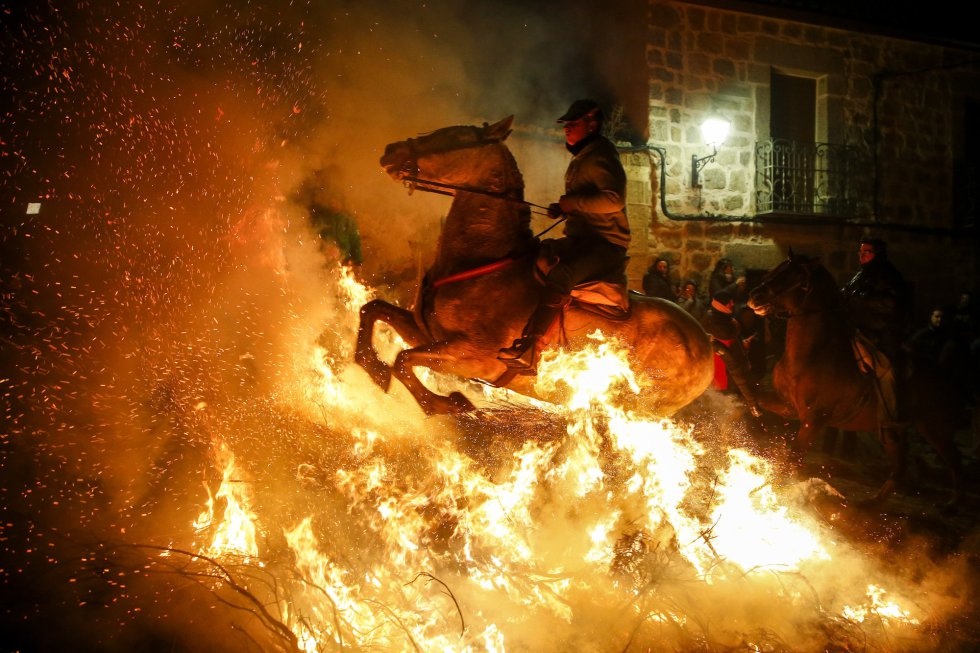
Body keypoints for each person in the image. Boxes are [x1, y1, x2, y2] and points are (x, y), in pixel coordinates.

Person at [498, 99, 629, 373]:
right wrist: (564, 209)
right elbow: (586, 202)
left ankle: (532, 347)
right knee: (535, 254)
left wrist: (573, 204)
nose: (567, 129)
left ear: (592, 125)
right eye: (566, 124)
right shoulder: (584, 156)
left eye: (573, 124)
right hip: (582, 239)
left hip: (605, 244)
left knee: (562, 275)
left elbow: (613, 200)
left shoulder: (600, 155)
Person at [840, 236, 911, 426]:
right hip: (857, 329)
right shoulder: (861, 275)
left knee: (886, 370)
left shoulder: (889, 276)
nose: (861, 256)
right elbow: (846, 294)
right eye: (860, 252)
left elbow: (889, 303)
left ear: (877, 254)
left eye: (866, 252)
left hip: (881, 332)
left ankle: (890, 419)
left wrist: (858, 303)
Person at [700, 289, 762, 417]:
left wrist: (742, 346)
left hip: (731, 373)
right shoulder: (720, 328)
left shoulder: (723, 320)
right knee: (728, 409)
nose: (732, 304)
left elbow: (733, 347)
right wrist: (752, 402)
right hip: (724, 378)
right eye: (729, 302)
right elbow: (733, 365)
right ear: (721, 305)